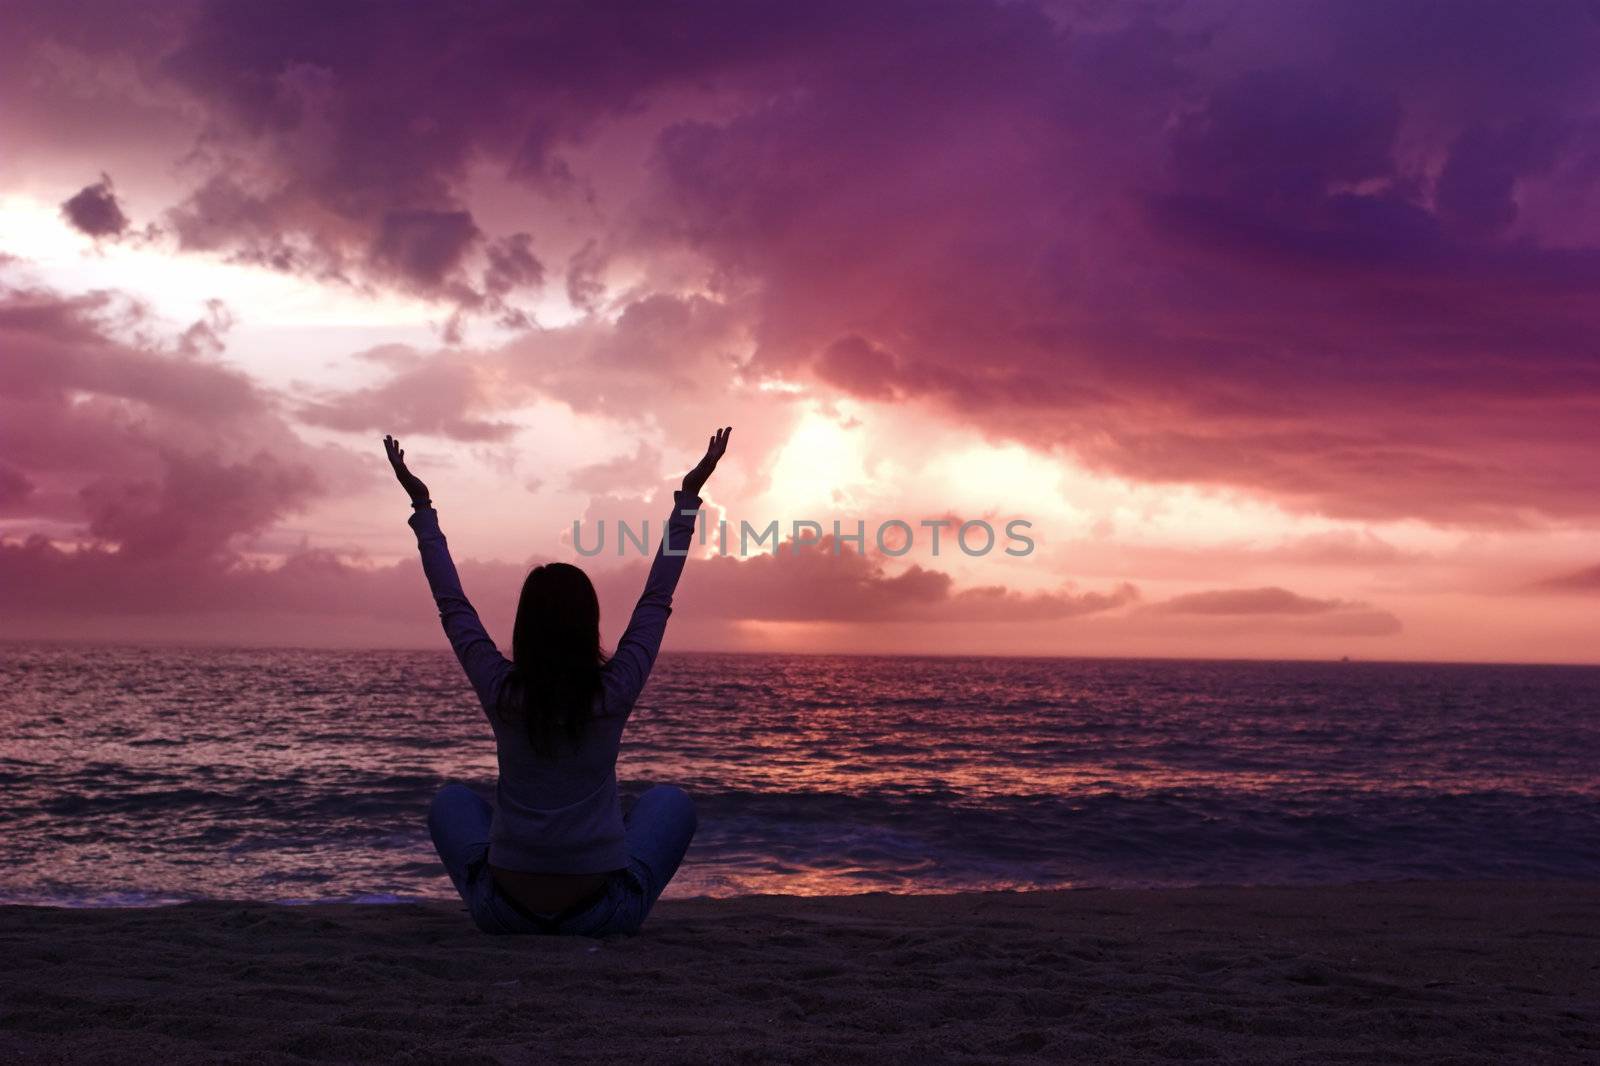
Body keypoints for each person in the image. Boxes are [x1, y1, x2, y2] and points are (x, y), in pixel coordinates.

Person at [385, 427, 732, 936]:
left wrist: (423, 508)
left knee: (450, 801)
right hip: (600, 916)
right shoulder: (614, 690)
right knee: (670, 802)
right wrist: (688, 497)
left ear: (524, 627)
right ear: (588, 624)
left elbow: (451, 604)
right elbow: (657, 599)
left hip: (502, 913)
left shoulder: (501, 690)